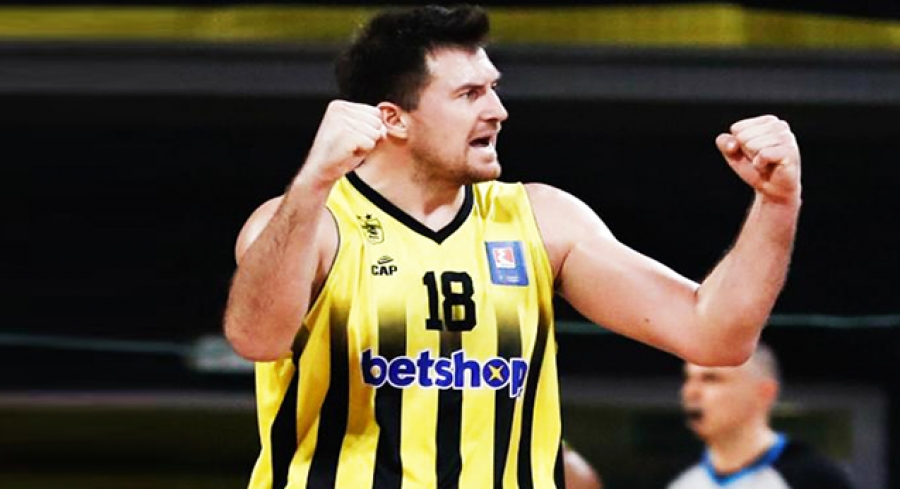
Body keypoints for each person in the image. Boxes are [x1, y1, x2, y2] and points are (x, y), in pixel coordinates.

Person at [223, 5, 801, 488]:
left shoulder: (542, 221)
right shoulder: (308, 223)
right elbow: (256, 338)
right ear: (393, 119)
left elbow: (715, 334)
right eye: (470, 93)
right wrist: (313, 181)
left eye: (493, 89)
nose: (497, 111)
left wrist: (777, 203)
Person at [668, 343, 855, 489]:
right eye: (688, 378)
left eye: (711, 379)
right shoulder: (681, 481)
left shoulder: (816, 479)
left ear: (765, 393)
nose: (691, 392)